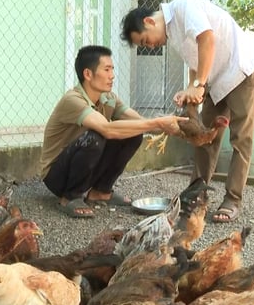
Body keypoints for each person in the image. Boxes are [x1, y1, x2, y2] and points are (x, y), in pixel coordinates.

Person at [120, 0, 254, 223]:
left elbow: (206, 39)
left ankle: (232, 199)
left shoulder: (183, 6)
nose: (149, 46)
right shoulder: (172, 31)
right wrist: (190, 88)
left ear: (149, 22)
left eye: (145, 40)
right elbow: (195, 60)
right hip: (217, 79)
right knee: (204, 136)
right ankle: (195, 194)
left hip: (240, 69)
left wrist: (199, 84)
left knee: (241, 139)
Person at [40, 45, 186, 218]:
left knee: (133, 134)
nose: (112, 75)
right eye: (107, 69)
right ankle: (70, 197)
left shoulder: (109, 98)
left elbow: (138, 122)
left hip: (83, 167)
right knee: (96, 137)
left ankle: (101, 191)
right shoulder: (73, 100)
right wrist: (159, 122)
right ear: (88, 74)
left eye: (113, 69)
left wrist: (175, 127)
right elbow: (107, 130)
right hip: (56, 175)